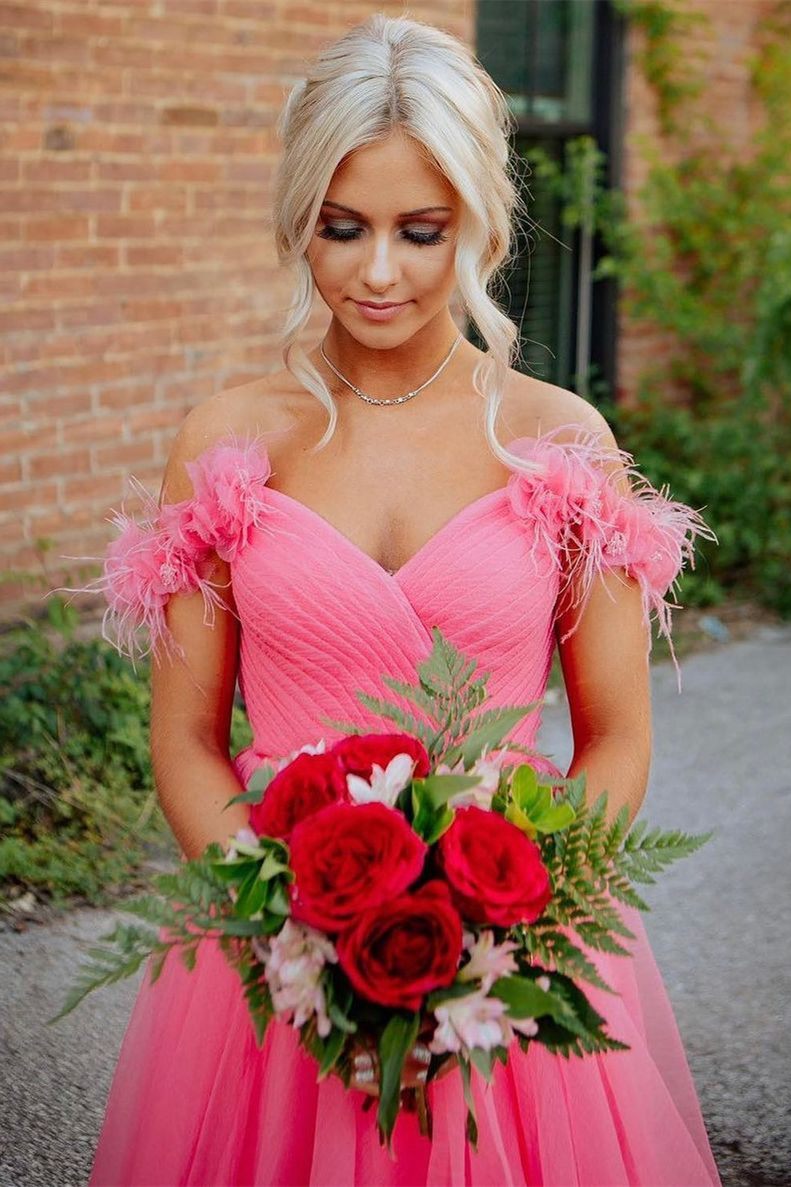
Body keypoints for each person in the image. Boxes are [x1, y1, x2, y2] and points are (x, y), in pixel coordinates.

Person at [82, 12, 722, 1186]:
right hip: (271, 948)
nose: (378, 271)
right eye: (343, 227)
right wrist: (285, 922)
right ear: (298, 220)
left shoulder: (555, 441)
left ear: (475, 223)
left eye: (420, 232)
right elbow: (183, 736)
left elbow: (617, 733)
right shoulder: (226, 442)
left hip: (508, 948)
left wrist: (517, 912)